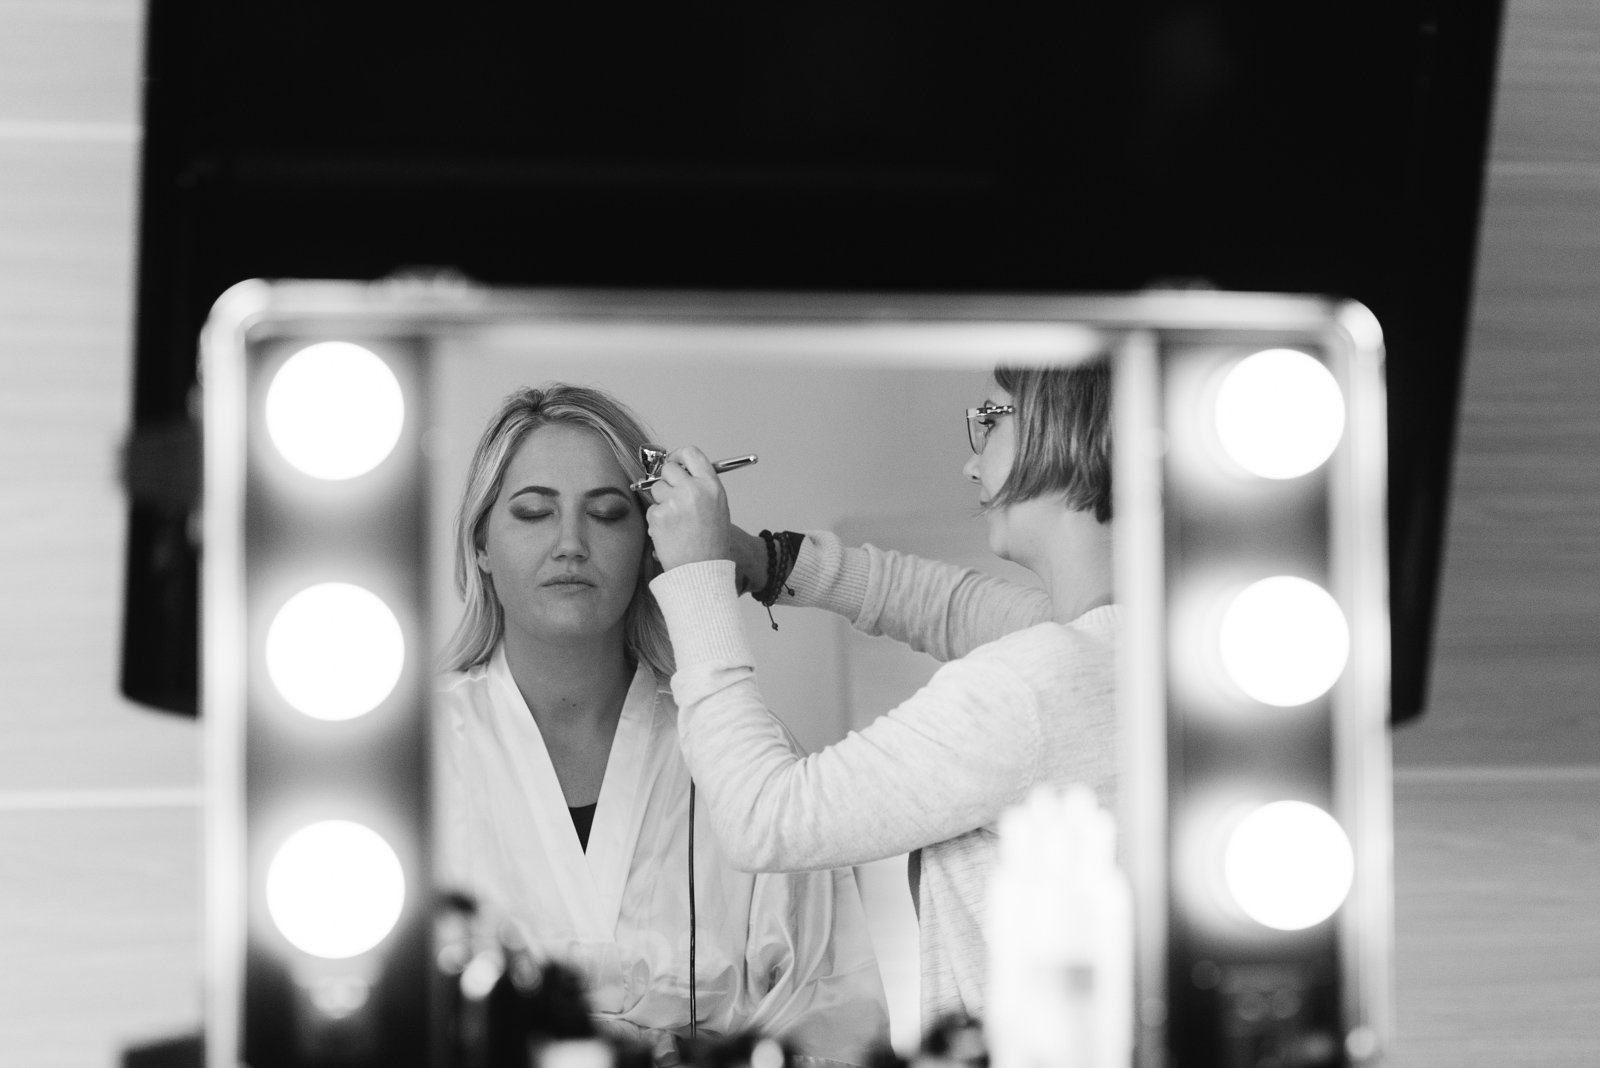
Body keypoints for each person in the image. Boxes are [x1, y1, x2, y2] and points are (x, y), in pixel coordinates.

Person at [643, 361, 1117, 1028]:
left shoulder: (1032, 687)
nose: (970, 464)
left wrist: (695, 581)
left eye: (989, 420)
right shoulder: (1115, 651)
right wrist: (762, 560)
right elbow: (942, 606)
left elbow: (764, 817)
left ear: (1064, 425)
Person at [434, 384, 889, 1067]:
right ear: (482, 548)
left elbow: (837, 1019)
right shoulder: (413, 754)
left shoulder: (739, 759)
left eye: (608, 513)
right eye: (533, 513)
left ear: (651, 544)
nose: (569, 544)